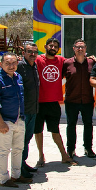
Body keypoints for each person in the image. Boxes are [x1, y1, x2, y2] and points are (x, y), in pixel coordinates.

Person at [0, 52, 32, 187]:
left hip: (19, 120)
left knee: (18, 149)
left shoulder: (18, 78)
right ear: (1, 64)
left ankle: (16, 176)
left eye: (13, 63)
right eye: (7, 63)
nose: (11, 66)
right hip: (5, 121)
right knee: (3, 151)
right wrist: (0, 123)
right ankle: (4, 179)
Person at [34, 37, 75, 166]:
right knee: (38, 131)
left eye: (55, 46)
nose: (53, 48)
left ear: (58, 49)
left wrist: (91, 58)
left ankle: (64, 155)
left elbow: (74, 62)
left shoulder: (61, 61)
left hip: (53, 102)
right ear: (45, 47)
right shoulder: (38, 59)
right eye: (50, 45)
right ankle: (41, 156)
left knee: (55, 131)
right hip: (38, 102)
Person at [62, 39, 96, 159]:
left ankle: (88, 148)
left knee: (88, 125)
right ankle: (70, 149)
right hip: (72, 101)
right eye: (78, 47)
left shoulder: (92, 62)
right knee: (71, 125)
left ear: (86, 49)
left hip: (87, 100)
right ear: (74, 49)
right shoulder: (67, 63)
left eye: (82, 47)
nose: (80, 49)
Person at [16, 43, 40, 178]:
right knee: (20, 141)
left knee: (27, 139)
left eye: (34, 52)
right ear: (24, 52)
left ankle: (23, 163)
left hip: (33, 109)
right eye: (29, 51)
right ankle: (18, 169)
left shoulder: (35, 66)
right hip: (22, 112)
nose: (32, 54)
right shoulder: (19, 67)